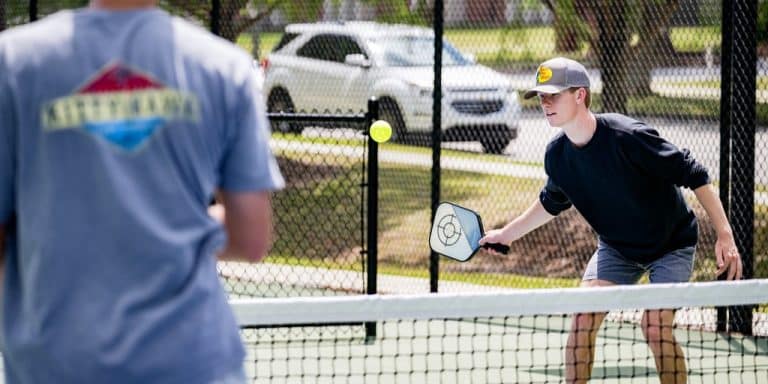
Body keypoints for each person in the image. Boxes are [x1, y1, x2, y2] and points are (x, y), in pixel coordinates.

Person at [0, 0, 284, 382]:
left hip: (55, 365)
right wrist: (172, 224)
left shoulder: (14, 61)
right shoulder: (223, 67)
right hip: (194, 365)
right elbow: (251, 237)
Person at [479, 57, 742, 384]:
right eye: (541, 97)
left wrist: (724, 234)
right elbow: (551, 202)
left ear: (580, 95)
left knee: (655, 327)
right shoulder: (557, 155)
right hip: (617, 250)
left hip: (670, 244)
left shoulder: (627, 136)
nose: (545, 104)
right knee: (583, 318)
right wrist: (506, 234)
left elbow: (694, 173)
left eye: (553, 95)